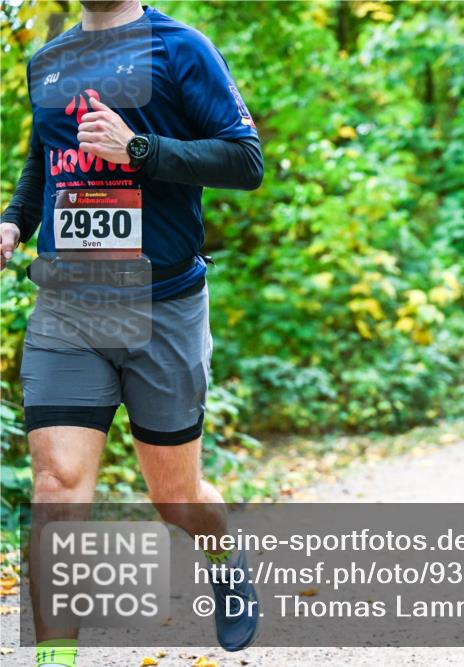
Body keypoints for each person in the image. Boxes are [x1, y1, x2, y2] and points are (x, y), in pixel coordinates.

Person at [0, 2, 264, 664]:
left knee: (176, 499)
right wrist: (13, 222)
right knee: (58, 485)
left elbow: (245, 160)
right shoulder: (48, 61)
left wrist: (139, 149)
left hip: (163, 305)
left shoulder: (180, 48)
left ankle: (223, 556)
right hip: (69, 305)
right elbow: (48, 158)